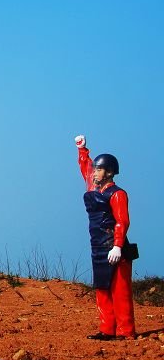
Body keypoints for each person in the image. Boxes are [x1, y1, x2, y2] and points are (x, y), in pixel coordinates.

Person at [74, 134, 136, 340]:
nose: (94, 173)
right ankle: (107, 329)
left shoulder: (117, 194)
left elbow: (122, 221)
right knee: (102, 289)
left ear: (109, 173)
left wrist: (117, 246)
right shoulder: (93, 189)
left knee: (120, 291)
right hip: (98, 246)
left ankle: (126, 331)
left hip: (114, 247)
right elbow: (85, 169)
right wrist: (82, 150)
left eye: (99, 169)